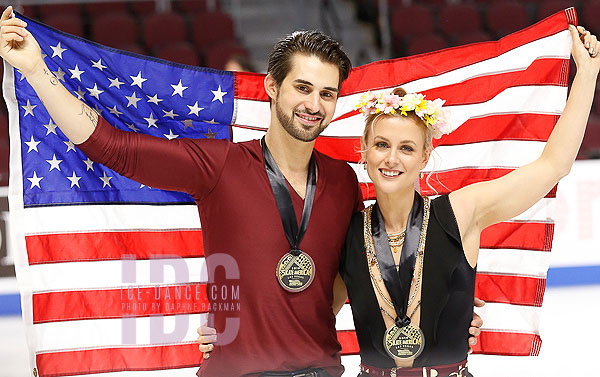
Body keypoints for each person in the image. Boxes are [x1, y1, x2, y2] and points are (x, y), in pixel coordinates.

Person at [0, 6, 482, 376]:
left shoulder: (343, 182)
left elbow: (345, 284)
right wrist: (36, 69)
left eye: (327, 93)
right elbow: (113, 147)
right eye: (302, 88)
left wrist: (445, 311)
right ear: (272, 86)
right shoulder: (219, 164)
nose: (314, 105)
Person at [339, 25, 599, 377]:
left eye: (407, 148)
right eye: (382, 145)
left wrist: (586, 75)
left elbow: (553, 166)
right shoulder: (346, 232)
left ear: (425, 156)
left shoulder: (461, 212)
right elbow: (313, 317)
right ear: (364, 152)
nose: (392, 159)